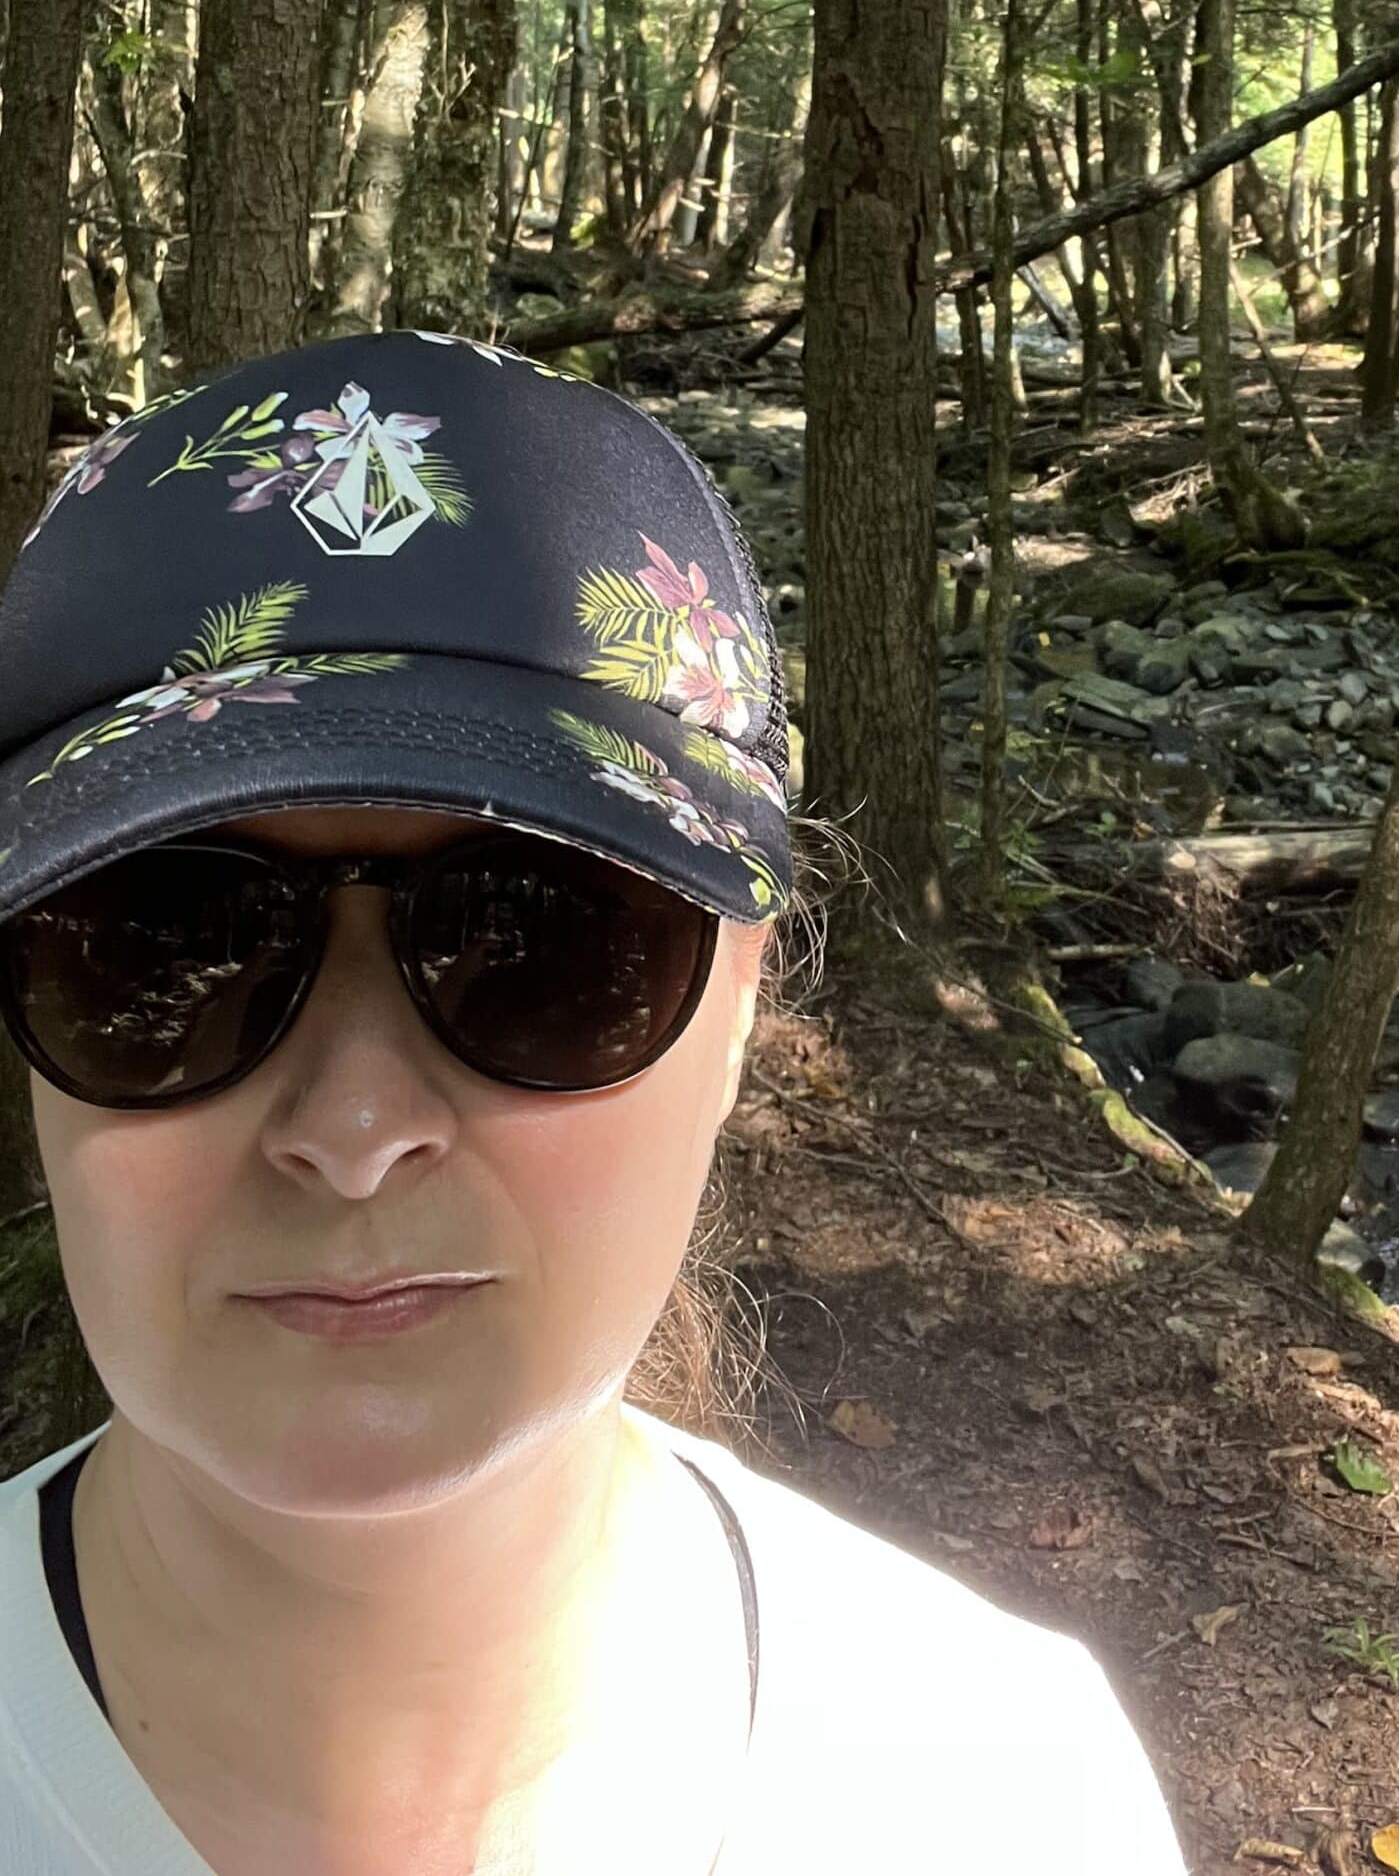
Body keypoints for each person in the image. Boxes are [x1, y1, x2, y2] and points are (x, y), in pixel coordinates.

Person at [0, 331, 1186, 1876]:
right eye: (166, 946)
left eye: (542, 951)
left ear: (745, 999)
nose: (353, 1134)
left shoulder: (1004, 1793)